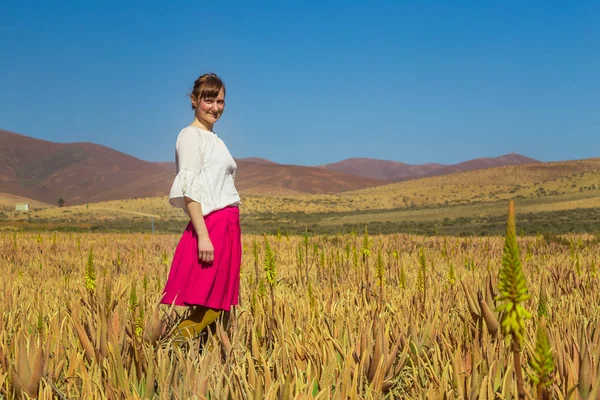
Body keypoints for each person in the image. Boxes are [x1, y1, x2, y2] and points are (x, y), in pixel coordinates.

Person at [160, 73, 242, 343]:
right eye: (209, 100)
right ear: (194, 100)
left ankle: (199, 361)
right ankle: (165, 350)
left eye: (220, 101)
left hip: (227, 225)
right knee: (212, 304)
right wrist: (203, 235)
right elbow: (189, 187)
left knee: (218, 304)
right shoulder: (191, 136)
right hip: (213, 225)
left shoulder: (213, 138)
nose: (215, 107)